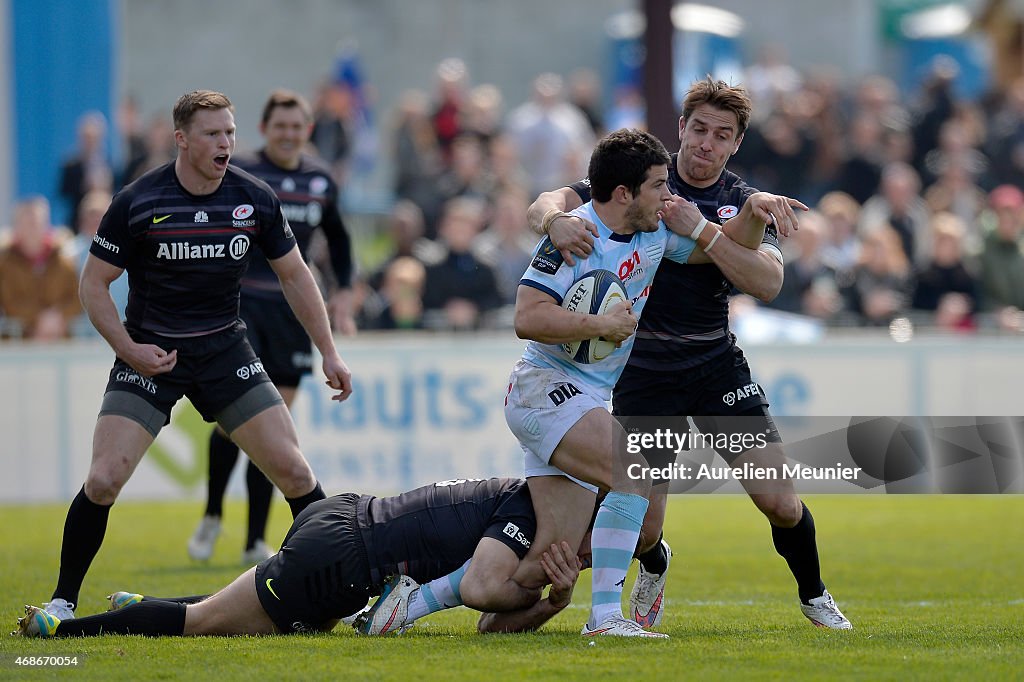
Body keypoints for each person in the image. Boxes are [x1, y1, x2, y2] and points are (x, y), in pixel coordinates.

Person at [529, 77, 851, 630]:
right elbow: (550, 200)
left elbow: (769, 282)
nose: (706, 143)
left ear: (736, 144)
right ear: (681, 129)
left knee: (779, 502)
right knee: (645, 527)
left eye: (721, 135)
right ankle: (656, 558)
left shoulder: (741, 202)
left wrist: (702, 229)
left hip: (713, 366)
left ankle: (815, 595)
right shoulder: (643, 178)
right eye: (698, 129)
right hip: (643, 374)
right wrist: (556, 220)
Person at [39, 90, 352, 622]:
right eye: (212, 134)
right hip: (151, 351)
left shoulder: (253, 198)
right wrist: (128, 349)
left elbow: (296, 275)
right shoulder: (139, 200)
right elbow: (93, 284)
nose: (225, 143)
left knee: (296, 473)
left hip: (225, 349)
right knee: (104, 479)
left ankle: (341, 597)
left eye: (229, 132)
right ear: (181, 139)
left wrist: (329, 351)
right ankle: (62, 601)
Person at [482, 127, 794, 640]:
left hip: (587, 394)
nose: (670, 197)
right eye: (659, 187)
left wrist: (754, 211)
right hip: (546, 387)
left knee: (549, 553)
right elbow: (526, 317)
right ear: (625, 193)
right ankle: (605, 618)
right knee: (635, 470)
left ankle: (428, 594)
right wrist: (599, 321)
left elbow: (718, 251)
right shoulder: (576, 231)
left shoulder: (653, 234)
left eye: (722, 135)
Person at [16, 478, 582, 638]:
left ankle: (139, 607)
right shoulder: (532, 507)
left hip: (345, 522)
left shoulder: (527, 500)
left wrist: (553, 603)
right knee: (204, 624)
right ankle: (61, 633)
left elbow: (490, 623)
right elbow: (484, 591)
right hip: (344, 558)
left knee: (237, 618)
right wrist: (541, 590)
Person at [187, 89, 356, 565]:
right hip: (240, 307)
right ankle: (213, 512)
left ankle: (253, 540)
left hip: (292, 312)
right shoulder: (239, 172)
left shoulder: (321, 179)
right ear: (264, 130)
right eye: (279, 125)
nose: (288, 133)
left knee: (274, 423)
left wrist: (343, 290)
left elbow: (340, 241)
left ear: (307, 130)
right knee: (238, 422)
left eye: (296, 126)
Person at [0, 196, 82, 340]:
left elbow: (78, 297)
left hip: (60, 343)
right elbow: (8, 301)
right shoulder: (5, 262)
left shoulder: (63, 258)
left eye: (37, 222)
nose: (32, 228)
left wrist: (58, 316)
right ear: (16, 226)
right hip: (17, 343)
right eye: (27, 223)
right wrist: (38, 319)